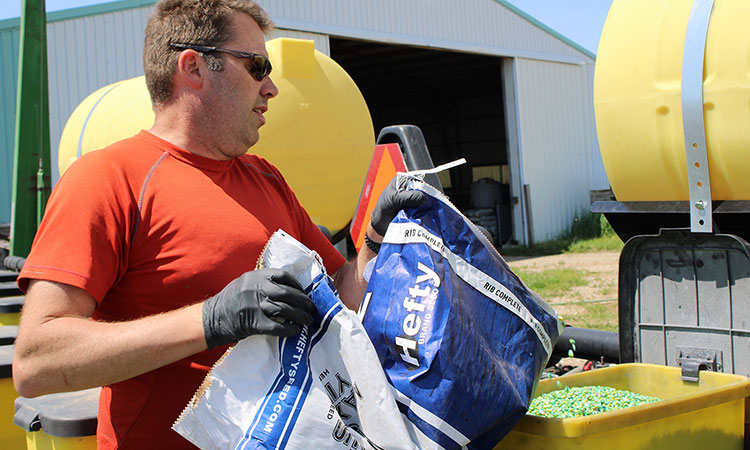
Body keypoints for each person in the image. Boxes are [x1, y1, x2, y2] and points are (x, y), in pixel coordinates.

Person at [11, 0, 423, 448]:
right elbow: (37, 362)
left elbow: (342, 291)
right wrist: (211, 319)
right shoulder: (110, 178)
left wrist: (377, 239)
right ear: (194, 67)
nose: (271, 88)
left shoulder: (266, 177)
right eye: (257, 66)